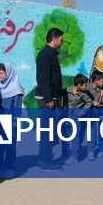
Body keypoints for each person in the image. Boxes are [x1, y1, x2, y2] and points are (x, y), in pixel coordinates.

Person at [35, 28, 64, 171]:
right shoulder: (45, 55)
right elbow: (42, 78)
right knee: (47, 130)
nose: (62, 42)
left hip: (52, 97)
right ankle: (44, 160)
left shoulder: (51, 54)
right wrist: (48, 98)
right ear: (54, 39)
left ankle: (47, 158)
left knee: (51, 130)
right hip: (47, 99)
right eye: (61, 39)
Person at [0, 63, 23, 178]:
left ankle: (10, 167)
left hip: (10, 123)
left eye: (1, 73)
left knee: (10, 147)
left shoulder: (16, 89)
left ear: (8, 74)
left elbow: (17, 108)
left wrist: (14, 123)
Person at [66, 74, 94, 163]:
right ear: (79, 85)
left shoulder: (84, 94)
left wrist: (82, 112)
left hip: (75, 116)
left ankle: (74, 157)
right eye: (85, 84)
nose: (86, 86)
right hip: (66, 115)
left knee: (75, 136)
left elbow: (89, 102)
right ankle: (66, 153)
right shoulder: (67, 90)